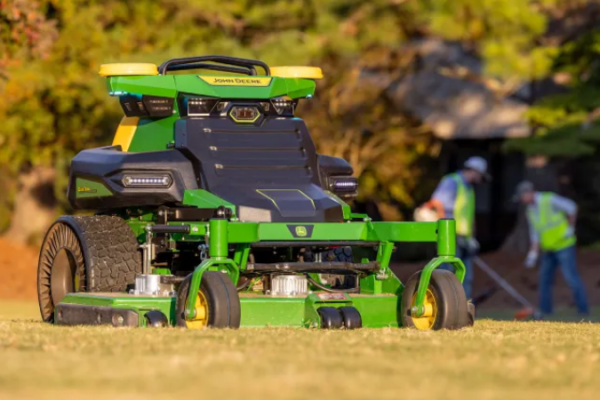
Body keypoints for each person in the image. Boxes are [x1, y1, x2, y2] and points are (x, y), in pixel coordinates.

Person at [514, 181, 589, 316]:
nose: (521, 200)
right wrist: (533, 253)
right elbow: (535, 233)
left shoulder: (549, 199)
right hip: (548, 249)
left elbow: (572, 208)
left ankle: (583, 310)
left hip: (564, 245)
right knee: (544, 280)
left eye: (522, 196)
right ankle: (545, 312)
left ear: (529, 192)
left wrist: (570, 228)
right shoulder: (530, 210)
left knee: (571, 277)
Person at [421, 156, 491, 299]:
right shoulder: (452, 181)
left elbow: (469, 215)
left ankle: (463, 309)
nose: (480, 179)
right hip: (450, 236)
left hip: (465, 237)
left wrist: (472, 237)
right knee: (447, 274)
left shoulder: (469, 189)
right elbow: (436, 203)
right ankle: (444, 306)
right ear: (474, 171)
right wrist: (445, 229)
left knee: (466, 275)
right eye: (480, 175)